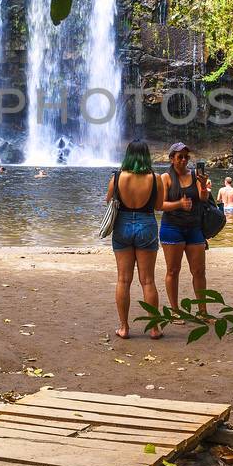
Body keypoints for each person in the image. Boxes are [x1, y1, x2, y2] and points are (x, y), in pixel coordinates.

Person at [106, 140, 162, 339]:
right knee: (148, 280)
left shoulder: (117, 177)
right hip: (146, 224)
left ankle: (124, 327)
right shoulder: (156, 178)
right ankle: (154, 328)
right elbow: (159, 205)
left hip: (122, 225)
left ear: (128, 155)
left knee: (123, 279)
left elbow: (108, 200)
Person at [158, 142, 211, 314]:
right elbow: (159, 205)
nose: (183, 160)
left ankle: (203, 312)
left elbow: (203, 198)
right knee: (173, 271)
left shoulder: (195, 175)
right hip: (172, 227)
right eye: (180, 156)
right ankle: (175, 310)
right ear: (172, 158)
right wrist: (179, 204)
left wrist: (203, 185)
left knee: (199, 271)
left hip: (194, 228)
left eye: (186, 157)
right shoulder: (165, 178)